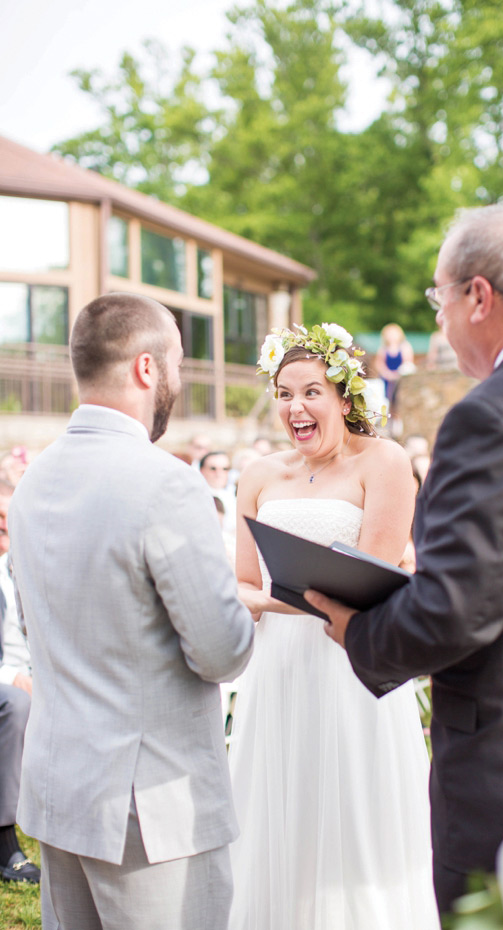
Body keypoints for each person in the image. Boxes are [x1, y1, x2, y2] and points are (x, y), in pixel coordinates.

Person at [8, 293, 254, 930]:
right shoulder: (167, 483)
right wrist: (243, 606)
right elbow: (220, 650)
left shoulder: (34, 481)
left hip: (60, 789)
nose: (180, 373)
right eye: (176, 358)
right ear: (147, 369)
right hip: (151, 807)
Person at [306, 205, 503, 916]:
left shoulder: (489, 415)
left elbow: (457, 608)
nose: (440, 322)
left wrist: (358, 629)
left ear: (478, 297)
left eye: (439, 298)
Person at [228, 323, 440, 930]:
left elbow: (369, 584)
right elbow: (241, 582)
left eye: (311, 391)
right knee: (279, 809)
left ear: (344, 398)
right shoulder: (260, 475)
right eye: (284, 393)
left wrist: (271, 599)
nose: (296, 406)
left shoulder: (387, 462)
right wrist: (268, 604)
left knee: (354, 814)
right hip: (279, 671)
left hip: (352, 665)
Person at [0, 479, 39, 885]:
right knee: (16, 703)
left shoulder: (37, 560)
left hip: (45, 675)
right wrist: (11, 676)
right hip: (8, 682)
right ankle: (5, 840)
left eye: (9, 518)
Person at [200, 450, 236, 535]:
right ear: (202, 470)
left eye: (225, 469)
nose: (219, 473)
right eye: (213, 469)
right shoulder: (196, 497)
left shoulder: (233, 498)